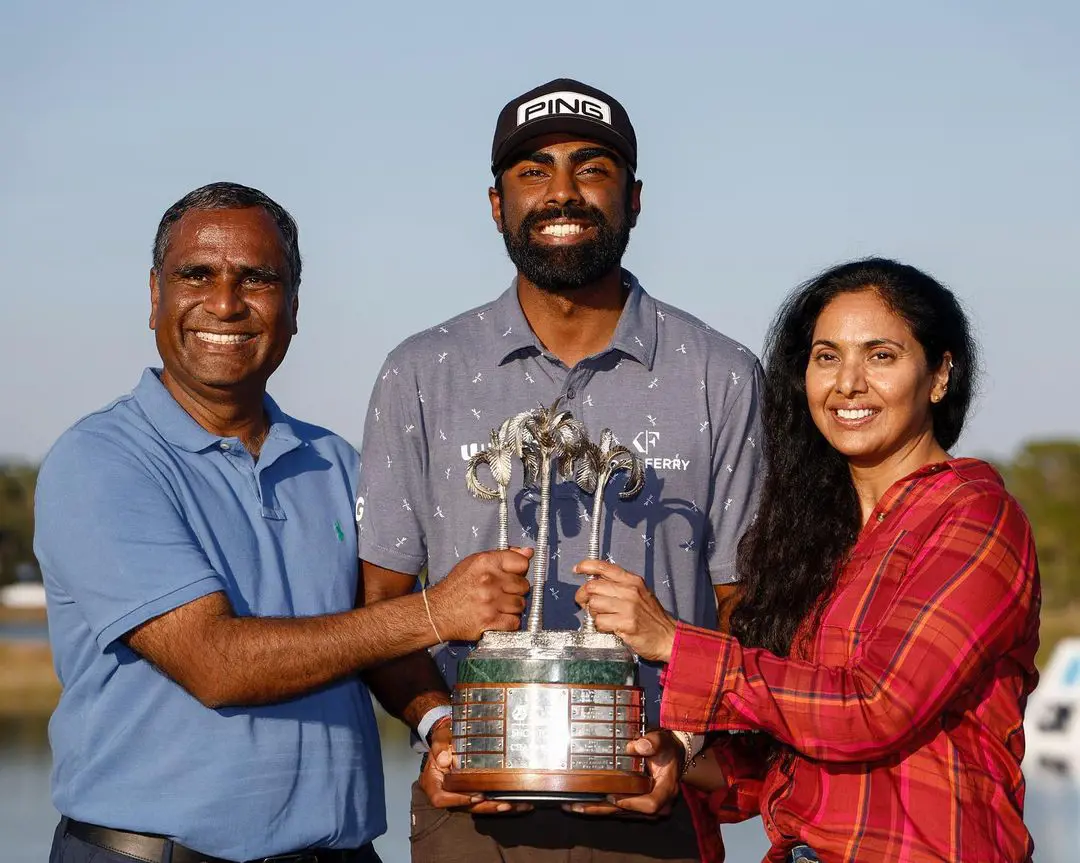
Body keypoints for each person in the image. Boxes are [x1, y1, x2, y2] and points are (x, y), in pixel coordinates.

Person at [35, 182, 532, 863]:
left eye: (257, 279)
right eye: (197, 275)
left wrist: (439, 721)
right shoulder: (99, 462)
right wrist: (436, 611)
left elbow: (374, 636)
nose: (225, 302)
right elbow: (215, 662)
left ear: (293, 307)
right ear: (156, 295)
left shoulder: (337, 463)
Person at [356, 79, 764, 862]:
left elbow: (746, 602)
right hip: (472, 811)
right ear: (496, 203)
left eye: (592, 168)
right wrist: (441, 727)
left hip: (654, 804)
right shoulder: (422, 371)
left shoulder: (722, 374)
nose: (563, 193)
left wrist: (681, 740)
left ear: (635, 198)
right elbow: (382, 603)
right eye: (533, 172)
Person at [576, 257, 1041, 863]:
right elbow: (793, 749)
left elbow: (877, 708)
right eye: (827, 357)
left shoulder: (975, 517)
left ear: (938, 375)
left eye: (881, 355)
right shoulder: (816, 538)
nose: (848, 383)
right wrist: (681, 757)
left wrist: (672, 642)